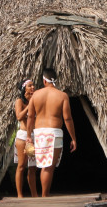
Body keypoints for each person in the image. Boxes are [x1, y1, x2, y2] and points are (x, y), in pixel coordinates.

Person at [26, 68, 77, 197]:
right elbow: (67, 118)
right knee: (49, 167)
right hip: (54, 133)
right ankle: (45, 195)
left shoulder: (36, 95)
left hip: (39, 133)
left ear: (44, 80)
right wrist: (73, 138)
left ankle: (45, 194)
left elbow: (30, 116)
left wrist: (28, 136)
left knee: (45, 166)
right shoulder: (62, 96)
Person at [13, 79, 37, 197]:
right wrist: (29, 105)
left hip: (33, 136)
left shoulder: (35, 101)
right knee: (22, 166)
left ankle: (34, 194)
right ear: (24, 89)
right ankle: (19, 194)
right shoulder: (19, 101)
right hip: (23, 136)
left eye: (33, 85)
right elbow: (19, 116)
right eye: (30, 86)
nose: (33, 87)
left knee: (33, 167)